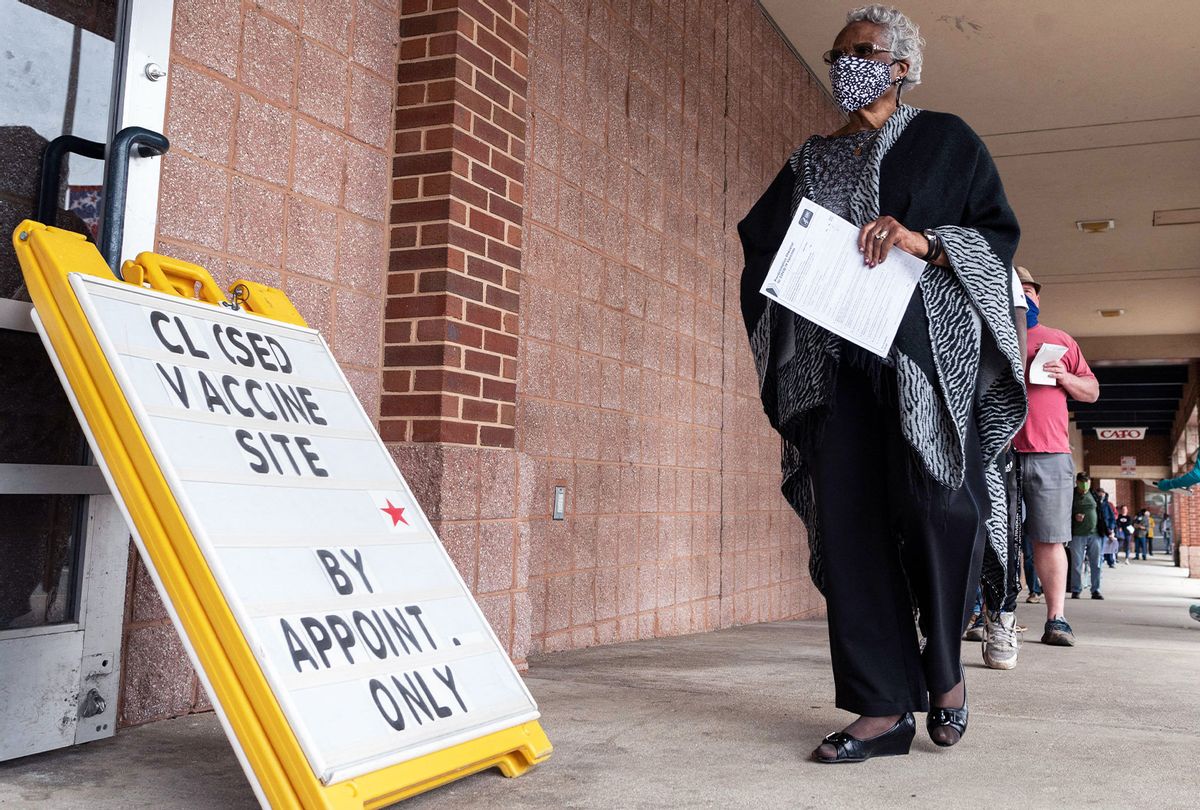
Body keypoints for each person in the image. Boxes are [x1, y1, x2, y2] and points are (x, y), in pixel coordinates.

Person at [739, 4, 1026, 763]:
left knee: (942, 511)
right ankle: (879, 709)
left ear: (899, 66)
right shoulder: (810, 158)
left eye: (858, 52)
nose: (843, 67)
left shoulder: (946, 140)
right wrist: (796, 264)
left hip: (922, 366)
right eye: (835, 57)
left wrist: (921, 241)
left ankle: (946, 675)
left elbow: (995, 236)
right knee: (853, 528)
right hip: (832, 370)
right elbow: (760, 244)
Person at [1012, 266, 1099, 647]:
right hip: (1000, 453)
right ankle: (988, 615)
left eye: (1031, 290)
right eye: (1019, 290)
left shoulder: (1059, 339)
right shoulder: (990, 333)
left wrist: (1064, 377)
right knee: (992, 538)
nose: (1027, 296)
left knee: (1049, 540)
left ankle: (1056, 619)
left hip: (1050, 454)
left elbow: (1091, 391)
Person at [1068, 474, 1103, 599]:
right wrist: (1074, 516)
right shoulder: (1071, 495)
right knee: (1077, 564)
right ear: (1077, 482)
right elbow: (1065, 511)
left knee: (1096, 563)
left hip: (1095, 534)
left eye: (1087, 484)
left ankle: (1096, 590)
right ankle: (1076, 589)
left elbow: (1101, 512)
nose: (1084, 487)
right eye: (1082, 484)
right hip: (1077, 535)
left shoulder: (1094, 495)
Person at [1096, 488, 1118, 568]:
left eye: (1102, 494)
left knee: (1107, 548)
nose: (1101, 496)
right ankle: (1099, 565)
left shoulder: (1108, 505)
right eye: (1099, 494)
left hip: (1106, 530)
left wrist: (1111, 528)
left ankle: (1110, 562)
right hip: (1096, 530)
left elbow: (1113, 517)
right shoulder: (1095, 503)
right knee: (1098, 550)